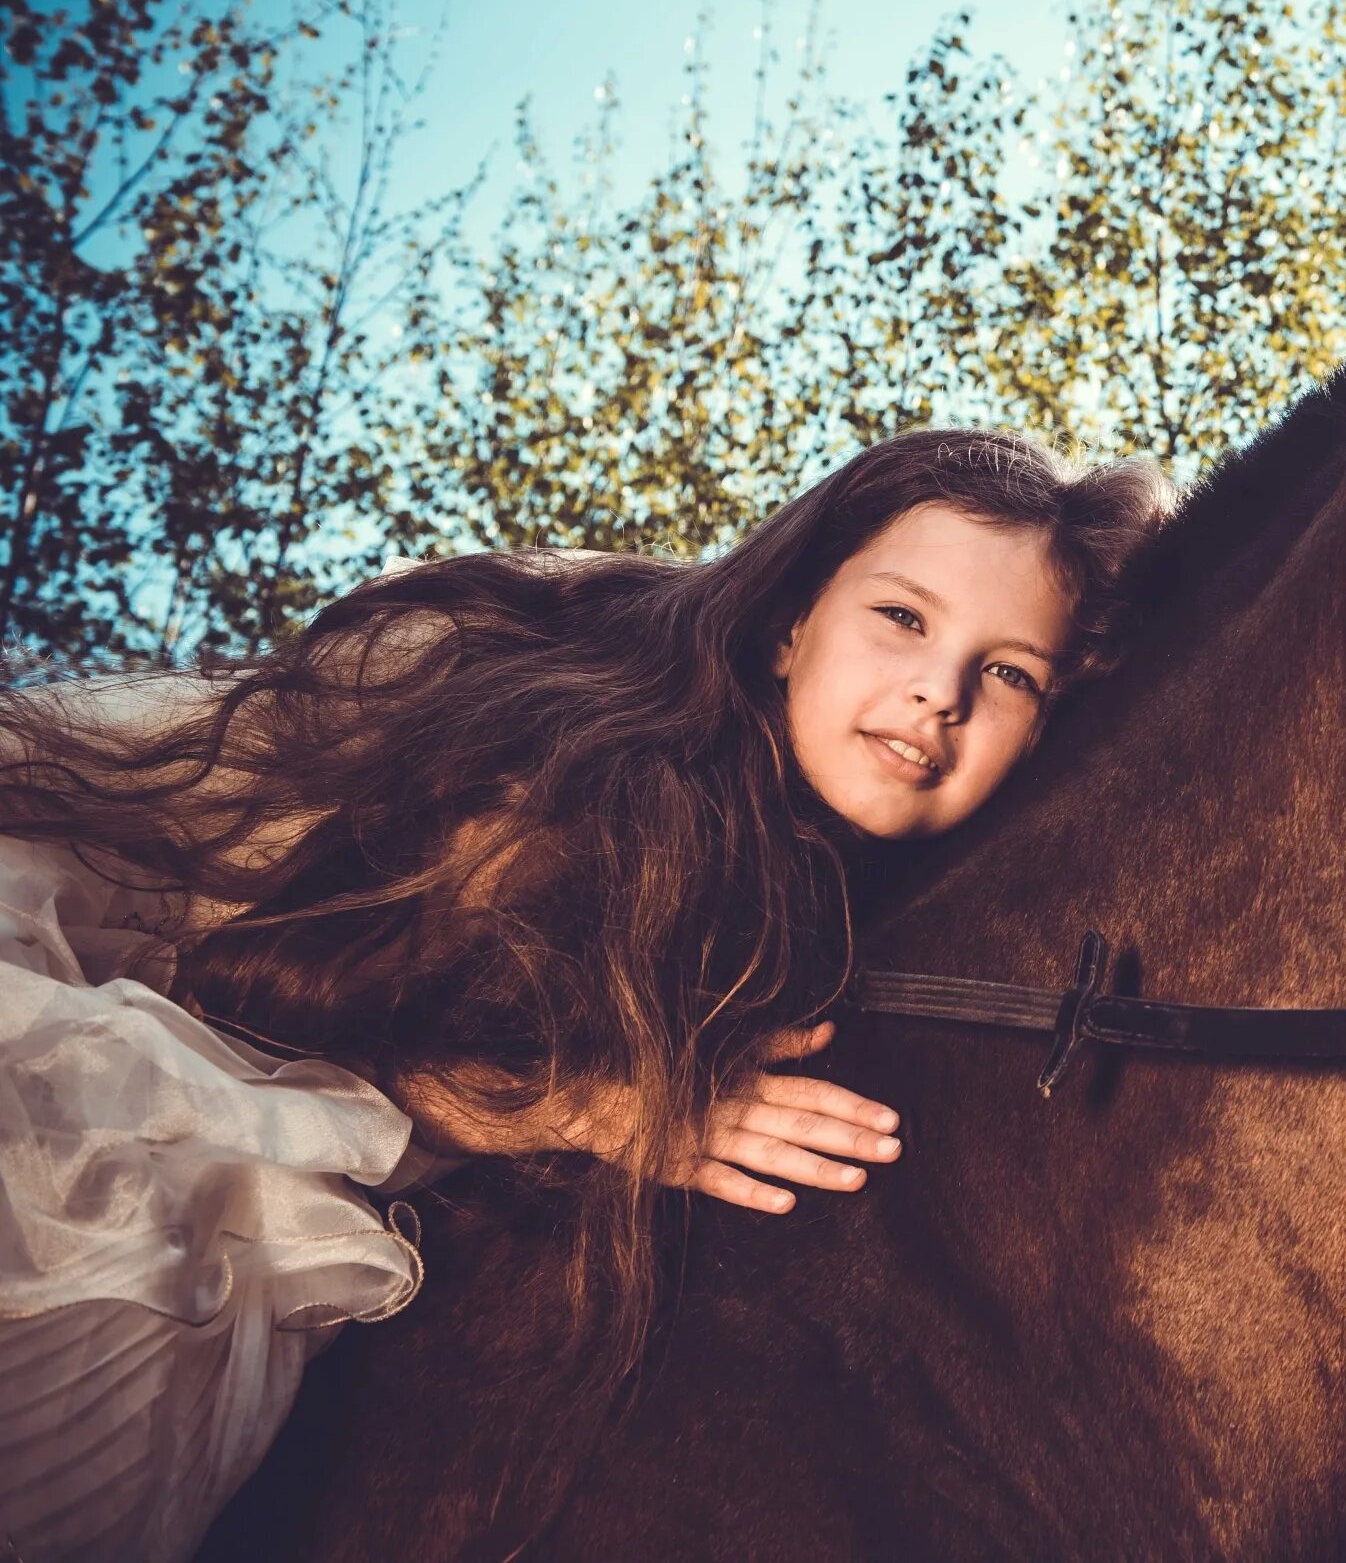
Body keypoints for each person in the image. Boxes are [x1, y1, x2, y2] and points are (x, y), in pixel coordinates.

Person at [0, 427, 1171, 1563]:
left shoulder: (853, 880)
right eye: (902, 618)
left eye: (1009, 671)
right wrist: (603, 1108)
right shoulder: (596, 765)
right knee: (135, 1303)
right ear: (789, 625)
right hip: (140, 1046)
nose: (939, 694)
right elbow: (269, 993)